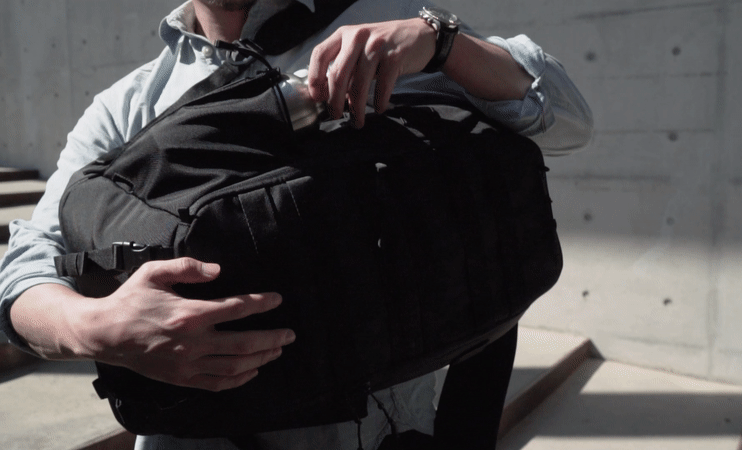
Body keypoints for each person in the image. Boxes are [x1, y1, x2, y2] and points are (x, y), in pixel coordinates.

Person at [0, 0, 593, 448]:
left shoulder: (375, 34)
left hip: (386, 430)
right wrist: (95, 327)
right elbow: (24, 267)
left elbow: (566, 120)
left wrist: (442, 43)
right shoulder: (126, 106)